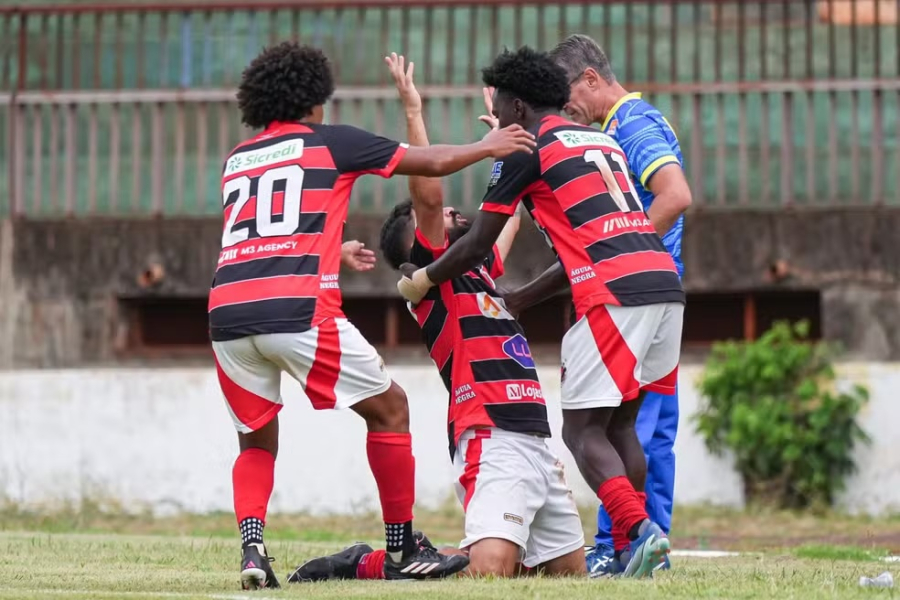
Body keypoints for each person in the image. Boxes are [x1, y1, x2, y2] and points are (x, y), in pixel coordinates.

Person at [209, 41, 536, 590]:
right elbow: (428, 164)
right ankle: (401, 546)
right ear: (315, 101)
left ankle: (252, 550)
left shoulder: (237, 160)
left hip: (228, 314)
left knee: (256, 441)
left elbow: (262, 233)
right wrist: (487, 146)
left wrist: (329, 252)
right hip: (297, 309)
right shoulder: (332, 142)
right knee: (391, 408)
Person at [288, 53, 585, 583]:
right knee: (490, 568)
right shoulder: (434, 278)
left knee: (567, 573)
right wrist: (412, 108)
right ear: (419, 245)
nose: (451, 213)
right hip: (489, 431)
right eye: (442, 218)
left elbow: (509, 209)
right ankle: (366, 562)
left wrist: (511, 142)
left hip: (536, 434)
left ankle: (437, 553)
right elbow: (427, 189)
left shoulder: (480, 268)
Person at [395, 46, 684, 579]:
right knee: (621, 425)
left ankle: (641, 533)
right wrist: (523, 297)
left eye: (504, 112)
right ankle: (631, 550)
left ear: (519, 109)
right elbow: (581, 244)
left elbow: (481, 240)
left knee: (581, 432)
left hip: (612, 292)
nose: (501, 123)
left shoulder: (524, 152)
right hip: (663, 282)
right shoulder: (600, 139)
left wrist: (425, 277)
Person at [549, 33, 692, 576]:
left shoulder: (632, 124)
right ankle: (637, 545)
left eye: (569, 97)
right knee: (634, 427)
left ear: (591, 78)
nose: (567, 110)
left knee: (628, 427)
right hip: (654, 290)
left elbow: (675, 195)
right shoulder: (613, 128)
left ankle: (627, 544)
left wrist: (623, 257)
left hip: (639, 295)